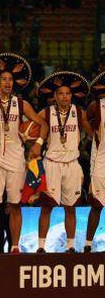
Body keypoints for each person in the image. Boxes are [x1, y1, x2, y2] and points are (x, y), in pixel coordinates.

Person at [0, 53, 48, 254]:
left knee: (15, 205)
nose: (7, 83)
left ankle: (15, 246)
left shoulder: (21, 104)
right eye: (3, 79)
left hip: (16, 158)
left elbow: (43, 125)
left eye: (10, 80)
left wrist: (37, 143)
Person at [36, 71, 92, 253]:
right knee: (47, 206)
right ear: (54, 96)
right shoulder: (46, 112)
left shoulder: (78, 112)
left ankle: (70, 246)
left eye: (67, 93)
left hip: (72, 163)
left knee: (71, 207)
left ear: (71, 96)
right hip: (51, 163)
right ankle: (41, 246)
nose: (64, 96)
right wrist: (33, 141)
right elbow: (29, 125)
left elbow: (92, 132)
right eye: (61, 93)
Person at [85, 72, 105, 252]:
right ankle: (88, 245)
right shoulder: (96, 107)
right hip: (101, 163)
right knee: (97, 205)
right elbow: (88, 126)